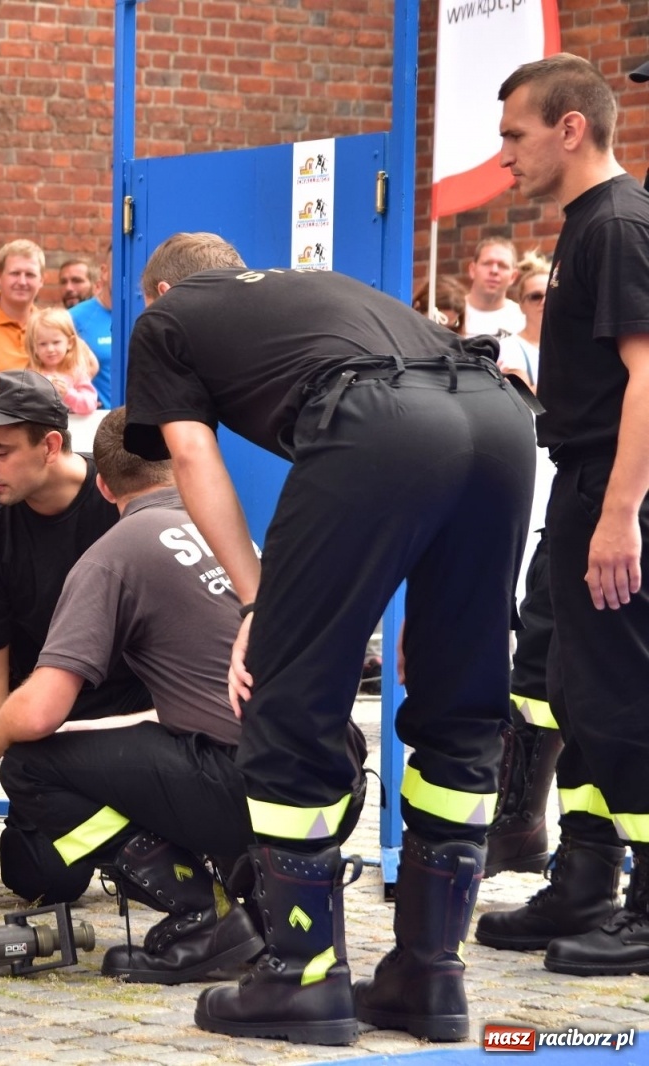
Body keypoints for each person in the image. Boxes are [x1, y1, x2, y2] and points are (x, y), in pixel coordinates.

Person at [124, 232, 534, 1045]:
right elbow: (457, 405)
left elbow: (191, 462)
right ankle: (431, 977)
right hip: (498, 417)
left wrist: (256, 605)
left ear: (159, 291)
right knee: (462, 706)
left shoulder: (166, 321)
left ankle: (302, 980)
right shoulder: (326, 288)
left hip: (377, 422)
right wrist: (432, 590)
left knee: (290, 705)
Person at [0, 408, 365, 983]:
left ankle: (203, 916)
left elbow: (41, 709)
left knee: (30, 761)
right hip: (334, 778)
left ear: (103, 484)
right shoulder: (226, 532)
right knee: (159, 742)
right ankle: (255, 891)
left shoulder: (113, 553)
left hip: (249, 786)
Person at [474, 54, 649, 979]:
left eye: (515, 133)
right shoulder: (587, 224)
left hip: (611, 495)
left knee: (625, 698)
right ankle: (585, 881)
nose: (505, 155)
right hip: (581, 477)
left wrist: (619, 514)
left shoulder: (616, 223)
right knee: (573, 691)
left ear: (570, 127)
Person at [0, 371, 152, 897]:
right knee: (36, 876)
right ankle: (131, 840)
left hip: (143, 716)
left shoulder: (123, 504)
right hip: (54, 729)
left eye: (1, 452)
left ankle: (159, 840)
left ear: (51, 445)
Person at [484, 250, 559, 882]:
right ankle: (525, 824)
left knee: (594, 689)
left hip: (605, 520)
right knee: (536, 674)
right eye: (539, 295)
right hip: (550, 525)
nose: (548, 306)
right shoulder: (518, 352)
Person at [26, 306, 98, 415]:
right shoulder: (32, 375)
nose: (50, 349)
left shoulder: (77, 373)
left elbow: (90, 404)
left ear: (70, 343)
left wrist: (68, 394)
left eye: (56, 342)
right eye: (43, 344)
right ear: (34, 347)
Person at [68, 243, 115, 408]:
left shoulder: (148, 314)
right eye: (118, 267)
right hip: (96, 424)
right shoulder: (74, 318)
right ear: (104, 272)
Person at [0, 240, 45, 372]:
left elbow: (82, 366)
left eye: (30, 275)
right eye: (15, 273)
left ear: (41, 281)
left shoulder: (48, 324)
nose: (22, 282)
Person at [496, 253, 549, 389]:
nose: (545, 301)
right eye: (535, 297)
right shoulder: (510, 347)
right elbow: (524, 399)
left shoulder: (572, 342)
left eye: (551, 295)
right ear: (521, 305)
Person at [463, 236, 526, 337]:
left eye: (502, 265)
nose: (494, 270)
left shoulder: (522, 321)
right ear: (472, 270)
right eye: (487, 263)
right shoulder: (450, 314)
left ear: (513, 277)